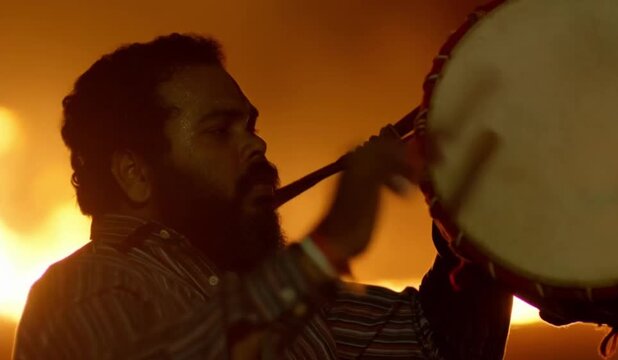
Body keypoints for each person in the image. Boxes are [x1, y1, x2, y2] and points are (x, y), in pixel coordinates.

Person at [13, 33, 512, 359]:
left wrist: (466, 211)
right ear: (134, 174)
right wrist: (332, 241)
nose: (256, 143)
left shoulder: (283, 298)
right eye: (219, 131)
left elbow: (442, 345)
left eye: (250, 125)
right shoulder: (86, 292)